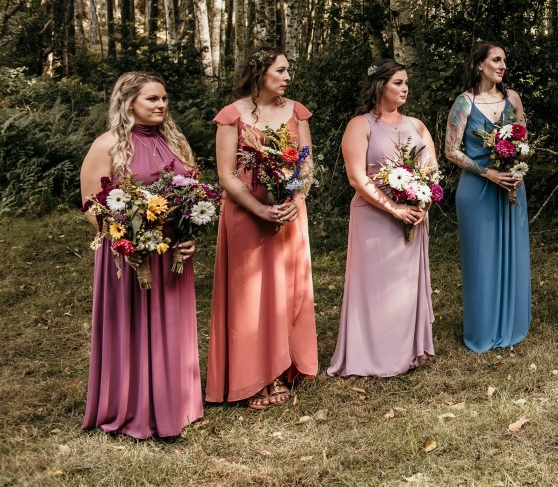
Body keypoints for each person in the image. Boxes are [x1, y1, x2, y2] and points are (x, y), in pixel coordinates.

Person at [79, 72, 202, 438]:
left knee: (169, 324)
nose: (161, 105)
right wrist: (123, 241)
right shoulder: (107, 146)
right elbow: (90, 203)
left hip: (171, 252)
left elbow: (191, 195)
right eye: (152, 99)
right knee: (130, 326)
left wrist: (191, 234)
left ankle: (175, 401)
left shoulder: (177, 143)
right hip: (126, 256)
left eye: (164, 98)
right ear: (128, 101)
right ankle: (130, 405)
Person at [206, 47, 318, 408]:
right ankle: (252, 377)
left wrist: (295, 201)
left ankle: (283, 367)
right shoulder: (230, 116)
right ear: (260, 73)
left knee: (286, 289)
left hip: (287, 210)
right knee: (249, 294)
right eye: (281, 70)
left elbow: (306, 165)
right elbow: (226, 174)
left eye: (288, 71)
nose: (288, 77)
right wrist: (258, 208)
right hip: (246, 213)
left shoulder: (297, 112)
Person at [328, 59, 436, 376]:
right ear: (380, 86)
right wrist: (395, 207)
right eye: (398, 83)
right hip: (374, 215)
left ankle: (407, 352)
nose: (405, 88)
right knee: (375, 285)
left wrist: (421, 204)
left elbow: (431, 171)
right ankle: (373, 354)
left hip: (414, 214)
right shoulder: (360, 125)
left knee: (404, 287)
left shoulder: (416, 125)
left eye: (406, 83)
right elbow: (357, 178)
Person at [445, 41, 531, 352]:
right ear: (479, 64)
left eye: (505, 60)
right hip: (478, 189)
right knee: (481, 259)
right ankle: (483, 328)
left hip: (511, 186)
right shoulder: (464, 103)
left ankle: (512, 323)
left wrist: (518, 168)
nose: (503, 65)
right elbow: (451, 150)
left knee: (513, 253)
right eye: (496, 59)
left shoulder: (513, 99)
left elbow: (523, 140)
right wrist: (487, 172)